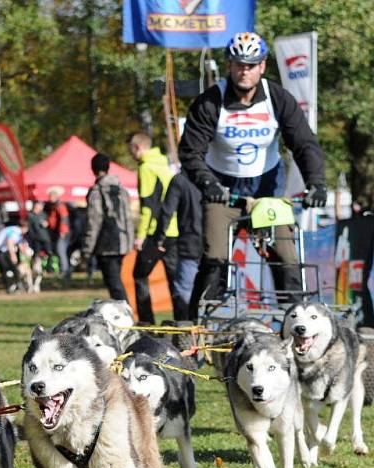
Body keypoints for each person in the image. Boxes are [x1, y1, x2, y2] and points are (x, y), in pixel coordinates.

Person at [179, 31, 326, 313]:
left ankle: (295, 320)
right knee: (216, 257)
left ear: (262, 66)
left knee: (286, 256)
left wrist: (316, 183)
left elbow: (304, 144)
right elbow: (190, 151)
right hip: (222, 190)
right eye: (238, 64)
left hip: (266, 189)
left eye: (250, 65)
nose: (244, 71)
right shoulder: (210, 101)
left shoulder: (278, 98)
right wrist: (207, 182)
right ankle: (196, 325)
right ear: (229, 66)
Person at [129, 132, 179, 323]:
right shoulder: (165, 165)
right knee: (174, 279)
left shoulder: (146, 168)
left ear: (137, 148)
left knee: (139, 275)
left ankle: (146, 322)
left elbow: (148, 205)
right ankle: (182, 320)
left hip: (155, 232)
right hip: (173, 230)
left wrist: (141, 235)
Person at [82, 152, 133, 301]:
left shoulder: (97, 191)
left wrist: (87, 249)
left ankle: (125, 316)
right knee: (116, 281)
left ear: (93, 169)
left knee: (114, 284)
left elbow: (94, 221)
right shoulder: (121, 190)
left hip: (106, 245)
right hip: (123, 242)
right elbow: (128, 217)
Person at [152, 173, 203, 320]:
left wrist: (159, 238)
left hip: (189, 244)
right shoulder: (215, 175)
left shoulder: (180, 180)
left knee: (184, 293)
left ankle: (184, 335)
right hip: (214, 245)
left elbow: (166, 211)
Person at [0, 222, 28, 294]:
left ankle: (16, 285)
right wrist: (13, 255)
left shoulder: (16, 231)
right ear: (24, 228)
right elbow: (9, 242)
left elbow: (20, 244)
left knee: (12, 268)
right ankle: (11, 286)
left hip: (2, 250)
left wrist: (26, 253)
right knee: (7, 269)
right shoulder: (16, 231)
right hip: (0, 251)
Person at [46, 187, 71, 280]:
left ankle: (65, 271)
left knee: (61, 251)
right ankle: (65, 270)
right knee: (60, 251)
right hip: (58, 232)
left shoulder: (60, 206)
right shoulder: (53, 206)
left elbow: (64, 219)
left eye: (51, 196)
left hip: (63, 233)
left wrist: (63, 231)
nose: (49, 198)